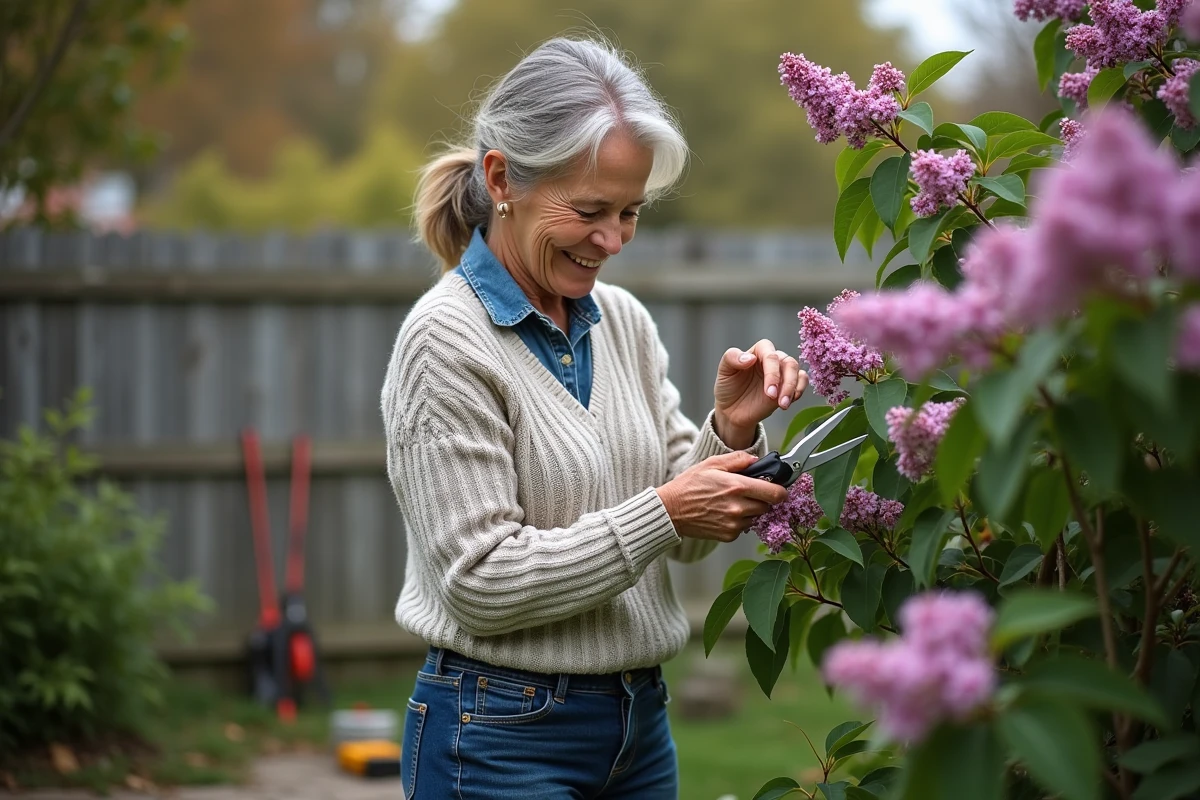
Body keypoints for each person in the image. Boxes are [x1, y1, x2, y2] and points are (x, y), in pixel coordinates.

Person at [380, 36, 808, 799]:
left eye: (630, 212)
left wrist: (731, 433)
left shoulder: (623, 321)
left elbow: (679, 532)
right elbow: (478, 580)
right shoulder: (443, 343)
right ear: (502, 178)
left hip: (639, 729)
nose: (611, 241)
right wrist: (666, 512)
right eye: (588, 211)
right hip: (496, 736)